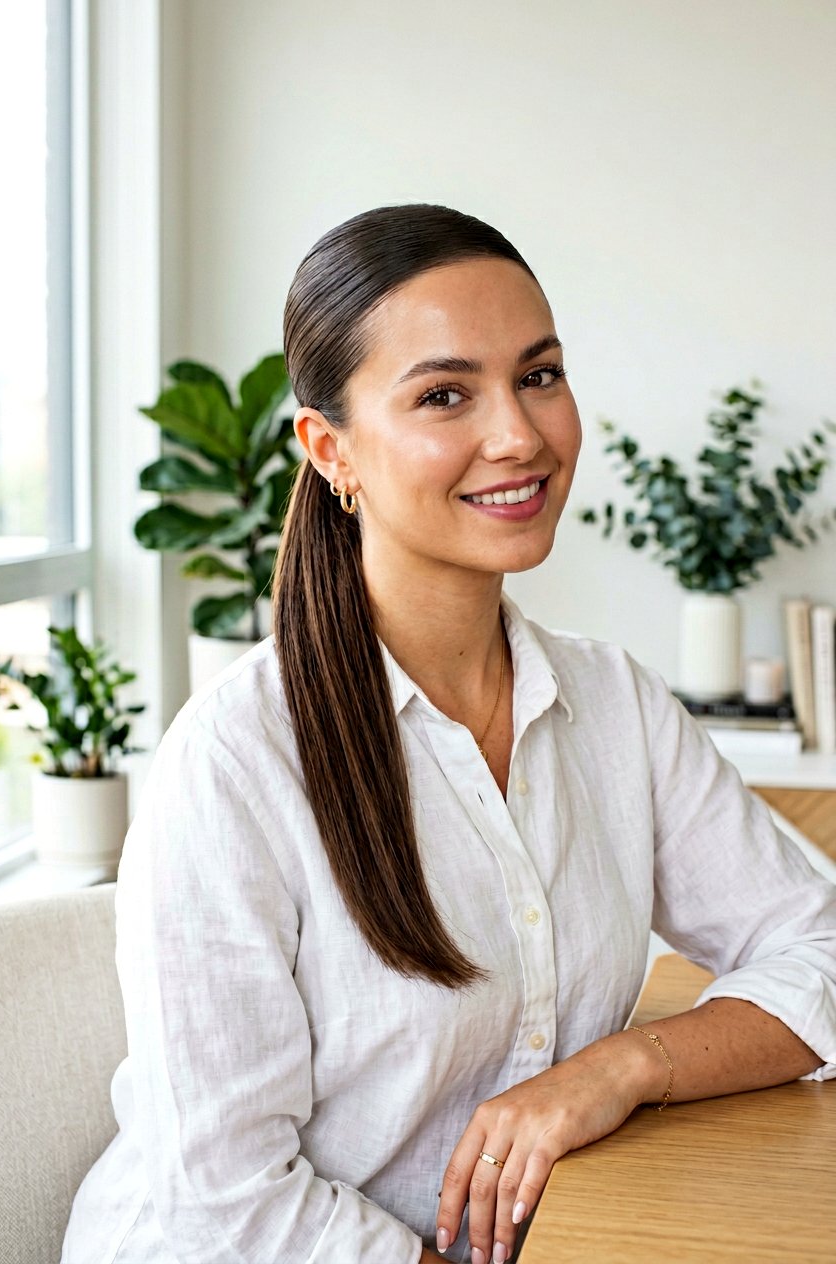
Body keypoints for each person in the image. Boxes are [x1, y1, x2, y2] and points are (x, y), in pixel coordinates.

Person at [61, 203, 836, 1264]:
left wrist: (616, 1069)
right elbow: (226, 1205)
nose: (517, 433)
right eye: (442, 394)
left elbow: (816, 942)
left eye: (539, 374)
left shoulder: (613, 706)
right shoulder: (235, 763)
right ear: (330, 449)